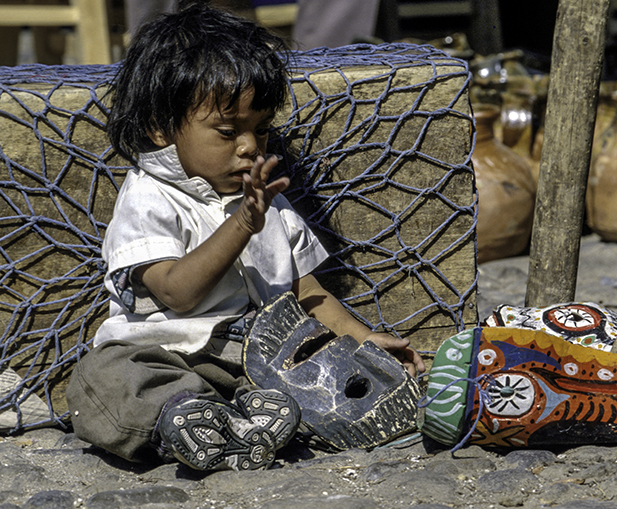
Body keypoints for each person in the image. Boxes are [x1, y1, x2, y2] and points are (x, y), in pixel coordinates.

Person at [65, 1, 424, 472]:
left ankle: (246, 423)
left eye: (260, 129)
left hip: (257, 365)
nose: (250, 146)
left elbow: (310, 294)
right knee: (100, 378)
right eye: (227, 130)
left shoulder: (268, 203)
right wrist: (240, 226)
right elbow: (178, 292)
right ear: (159, 128)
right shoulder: (149, 196)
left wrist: (361, 339)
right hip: (167, 359)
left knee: (320, 374)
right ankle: (181, 419)